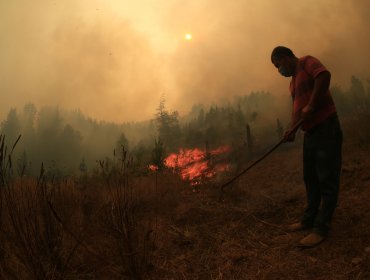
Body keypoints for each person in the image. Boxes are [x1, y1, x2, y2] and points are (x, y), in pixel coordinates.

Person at [271, 46, 342, 247]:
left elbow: (324, 76)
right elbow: (297, 111)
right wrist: (291, 129)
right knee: (311, 178)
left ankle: (321, 228)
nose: (279, 71)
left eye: (278, 65)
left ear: (285, 57)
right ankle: (308, 220)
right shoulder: (293, 84)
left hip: (326, 128)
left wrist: (311, 105)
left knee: (327, 179)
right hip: (311, 134)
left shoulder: (307, 62)